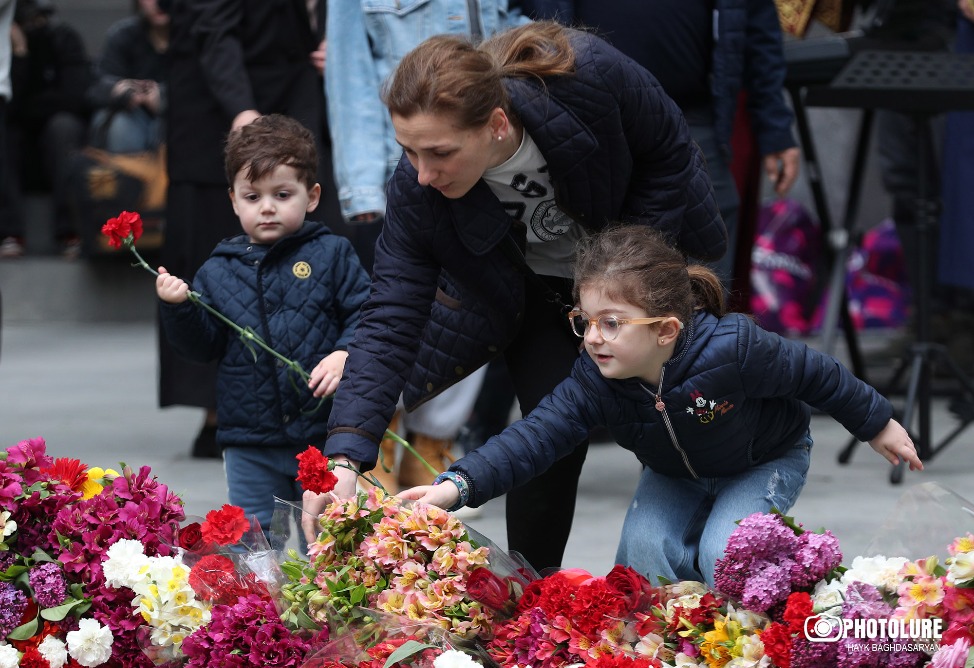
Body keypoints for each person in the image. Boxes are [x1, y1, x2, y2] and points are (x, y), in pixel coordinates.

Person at [303, 21, 727, 571]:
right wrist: (345, 459)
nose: (422, 173)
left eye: (439, 152)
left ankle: (720, 562)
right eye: (407, 150)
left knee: (692, 411)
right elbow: (390, 316)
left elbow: (669, 150)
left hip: (641, 260)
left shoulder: (587, 77)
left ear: (497, 125)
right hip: (536, 297)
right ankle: (533, 594)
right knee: (549, 436)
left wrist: (630, 280)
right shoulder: (416, 190)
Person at [400, 225, 922, 586]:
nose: (593, 339)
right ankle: (664, 647)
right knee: (645, 557)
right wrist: (457, 485)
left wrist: (878, 423)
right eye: (585, 320)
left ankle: (766, 615)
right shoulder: (594, 380)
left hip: (762, 460)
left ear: (667, 330)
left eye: (612, 322)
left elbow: (818, 374)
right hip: (676, 471)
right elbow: (534, 436)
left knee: (726, 553)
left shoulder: (734, 349)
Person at [323, 0, 529, 495]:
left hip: (484, 158)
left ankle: (434, 438)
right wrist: (362, 188)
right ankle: (384, 438)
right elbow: (348, 75)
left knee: (468, 311)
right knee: (397, 314)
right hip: (397, 163)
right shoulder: (414, 170)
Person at [156, 113, 371, 540]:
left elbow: (366, 312)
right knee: (253, 539)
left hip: (322, 432)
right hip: (248, 438)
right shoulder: (218, 270)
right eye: (252, 196)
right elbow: (202, 347)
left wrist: (345, 351)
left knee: (330, 534)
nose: (267, 206)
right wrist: (179, 308)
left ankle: (326, 605)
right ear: (234, 201)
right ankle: (259, 607)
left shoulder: (332, 253)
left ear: (311, 197)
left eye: (282, 193)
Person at [162, 0, 342, 458]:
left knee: (311, 238)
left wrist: (331, 44)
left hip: (294, 84)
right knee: (215, 258)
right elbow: (214, 30)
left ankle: (309, 395)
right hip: (216, 103)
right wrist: (241, 109)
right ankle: (216, 409)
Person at [521, 0, 800, 295]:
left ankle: (699, 339)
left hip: (692, 116)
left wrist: (775, 126)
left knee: (709, 247)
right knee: (592, 249)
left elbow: (758, 29)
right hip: (585, 116)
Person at [0, 0, 91, 259]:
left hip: (55, 138)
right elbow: (9, 103)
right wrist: (20, 55)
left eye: (39, 19)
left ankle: (70, 231)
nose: (33, 26)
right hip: (19, 139)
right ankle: (10, 233)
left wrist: (32, 109)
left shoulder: (63, 38)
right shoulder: (8, 49)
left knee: (62, 128)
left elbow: (75, 98)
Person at [86, 0, 169, 153]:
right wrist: (120, 89)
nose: (159, 2)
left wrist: (162, 96)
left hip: (178, 116)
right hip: (129, 116)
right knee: (121, 124)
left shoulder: (194, 36)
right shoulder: (123, 34)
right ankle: (125, 176)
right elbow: (96, 85)